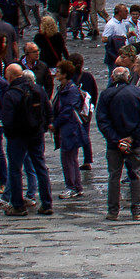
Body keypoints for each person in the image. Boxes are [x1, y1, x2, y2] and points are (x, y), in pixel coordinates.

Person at [0, 62, 52, 218]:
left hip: (17, 137)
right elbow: (48, 111)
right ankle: (47, 203)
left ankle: (18, 205)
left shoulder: (11, 93)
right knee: (40, 167)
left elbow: (7, 120)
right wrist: (42, 128)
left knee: (15, 170)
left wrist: (9, 134)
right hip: (36, 134)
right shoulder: (37, 89)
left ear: (9, 76)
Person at [97, 63, 140, 221]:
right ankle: (137, 209)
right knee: (136, 175)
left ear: (113, 78)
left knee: (114, 176)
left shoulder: (106, 95)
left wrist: (116, 139)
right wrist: (132, 138)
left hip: (114, 143)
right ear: (128, 77)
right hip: (135, 142)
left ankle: (113, 210)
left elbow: (102, 121)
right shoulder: (138, 93)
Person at [52, 58, 92, 199]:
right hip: (68, 128)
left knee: (68, 158)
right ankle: (76, 186)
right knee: (71, 158)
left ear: (65, 74)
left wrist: (54, 124)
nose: (55, 73)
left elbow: (67, 111)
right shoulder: (64, 88)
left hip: (70, 129)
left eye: (58, 71)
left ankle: (72, 186)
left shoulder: (70, 90)